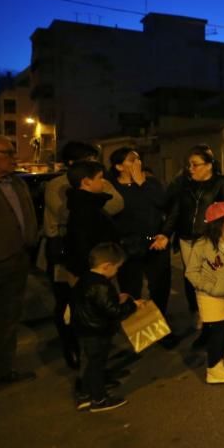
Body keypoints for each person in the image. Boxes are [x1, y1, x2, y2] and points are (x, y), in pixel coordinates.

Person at [44, 141, 123, 368]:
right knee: (73, 307)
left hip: (93, 259)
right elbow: (67, 217)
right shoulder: (61, 188)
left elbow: (118, 203)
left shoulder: (92, 193)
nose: (94, 163)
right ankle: (78, 357)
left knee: (95, 310)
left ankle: (96, 364)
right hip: (73, 258)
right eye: (89, 160)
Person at [158, 145, 224, 327]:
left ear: (209, 165)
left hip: (209, 237)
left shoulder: (222, 183)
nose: (190, 169)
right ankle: (198, 310)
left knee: (212, 274)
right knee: (191, 277)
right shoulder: (184, 185)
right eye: (189, 165)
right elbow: (175, 211)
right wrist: (165, 233)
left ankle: (219, 312)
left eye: (195, 165)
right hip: (186, 238)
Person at [107, 148, 172, 338]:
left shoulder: (150, 183)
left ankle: (160, 329)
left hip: (154, 242)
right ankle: (139, 331)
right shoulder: (112, 187)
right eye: (131, 160)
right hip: (128, 246)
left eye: (138, 159)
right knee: (131, 289)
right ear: (119, 166)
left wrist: (142, 182)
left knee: (160, 288)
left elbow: (163, 203)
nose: (138, 163)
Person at [185, 202, 224, 384]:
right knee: (218, 331)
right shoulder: (203, 244)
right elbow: (191, 272)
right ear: (219, 221)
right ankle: (214, 369)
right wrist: (209, 286)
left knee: (223, 330)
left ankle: (218, 365)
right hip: (210, 296)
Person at [71, 242, 140, 412]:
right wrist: (132, 305)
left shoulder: (85, 279)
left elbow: (95, 303)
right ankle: (99, 400)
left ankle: (85, 395)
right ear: (107, 266)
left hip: (84, 330)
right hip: (97, 331)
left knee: (89, 364)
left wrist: (115, 298)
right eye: (117, 268)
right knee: (96, 366)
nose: (117, 272)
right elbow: (113, 311)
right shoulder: (101, 285)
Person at [0, 136, 39, 386]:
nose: (14, 158)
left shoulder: (17, 183)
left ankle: (3, 371)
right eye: (8, 153)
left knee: (9, 318)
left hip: (18, 259)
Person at [63, 161, 119, 280]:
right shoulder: (84, 208)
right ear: (86, 181)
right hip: (94, 272)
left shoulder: (89, 204)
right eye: (100, 178)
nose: (103, 181)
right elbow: (83, 245)